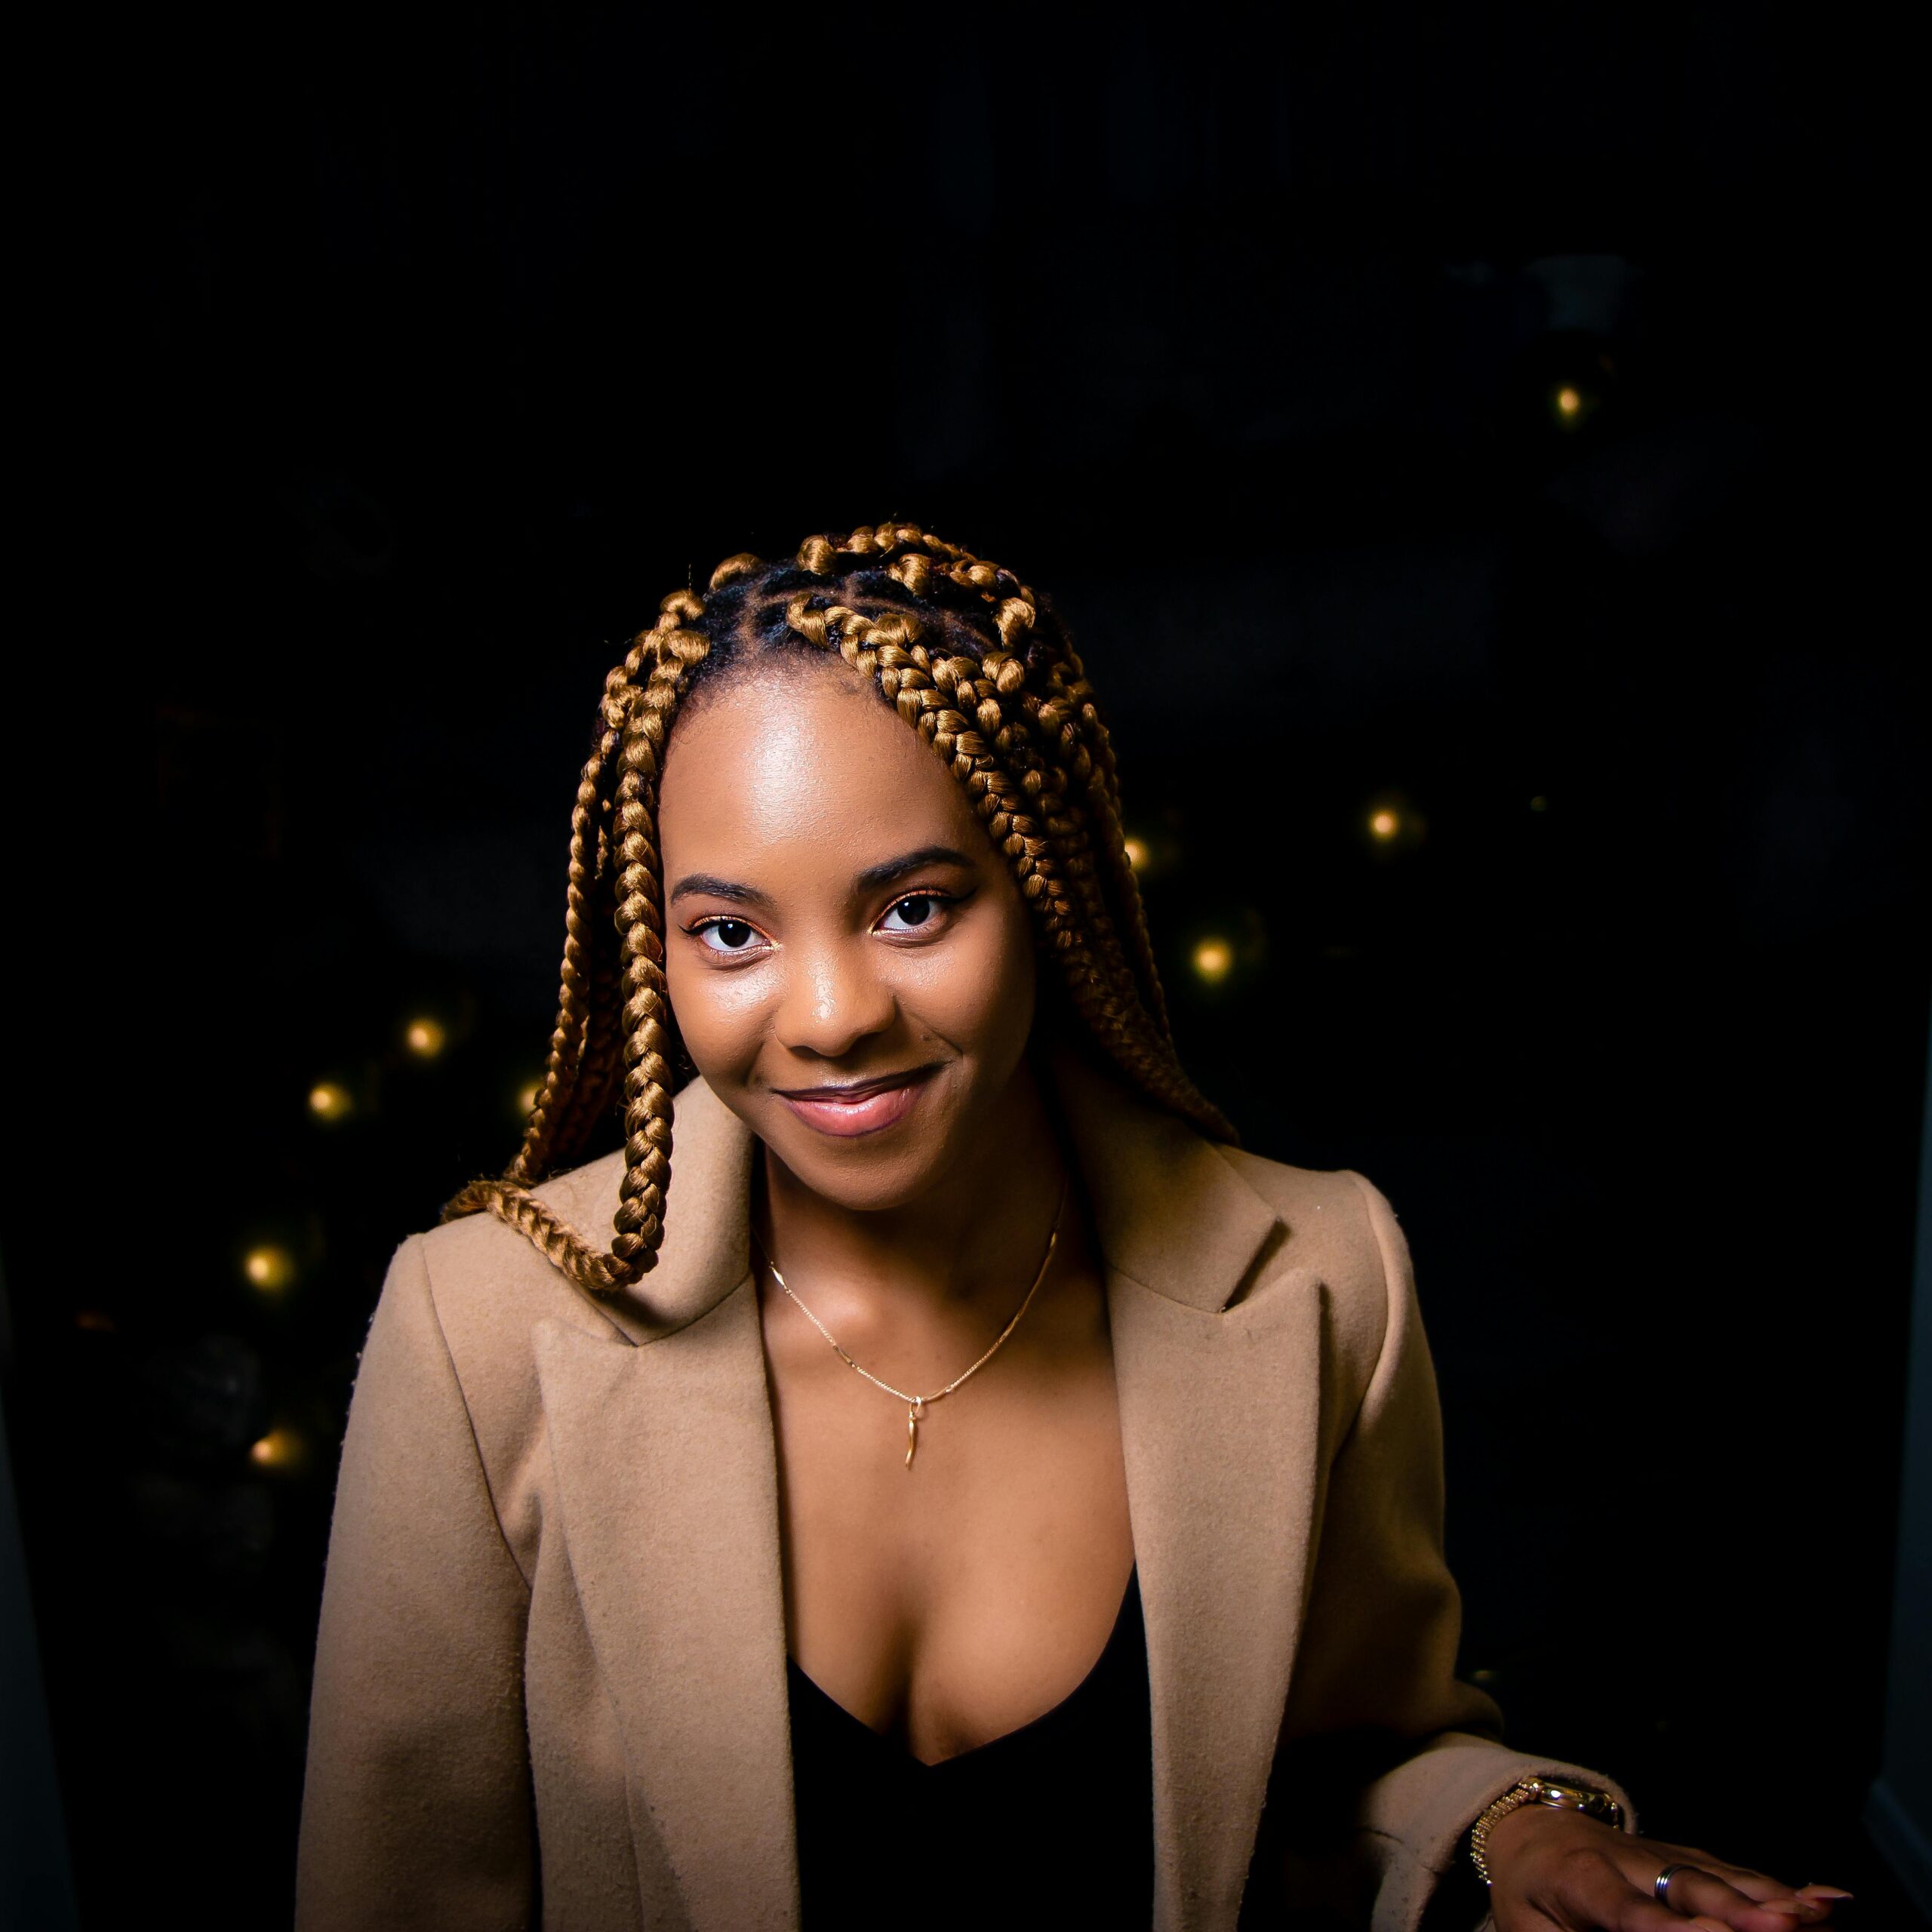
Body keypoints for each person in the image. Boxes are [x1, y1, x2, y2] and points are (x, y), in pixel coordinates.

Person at [294, 522, 1851, 1930]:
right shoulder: (482, 1330)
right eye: (730, 932)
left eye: (912, 905)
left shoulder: (1314, 1279)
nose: (830, 1013)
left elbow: (1347, 1765)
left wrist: (1517, 1833)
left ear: (1041, 885)